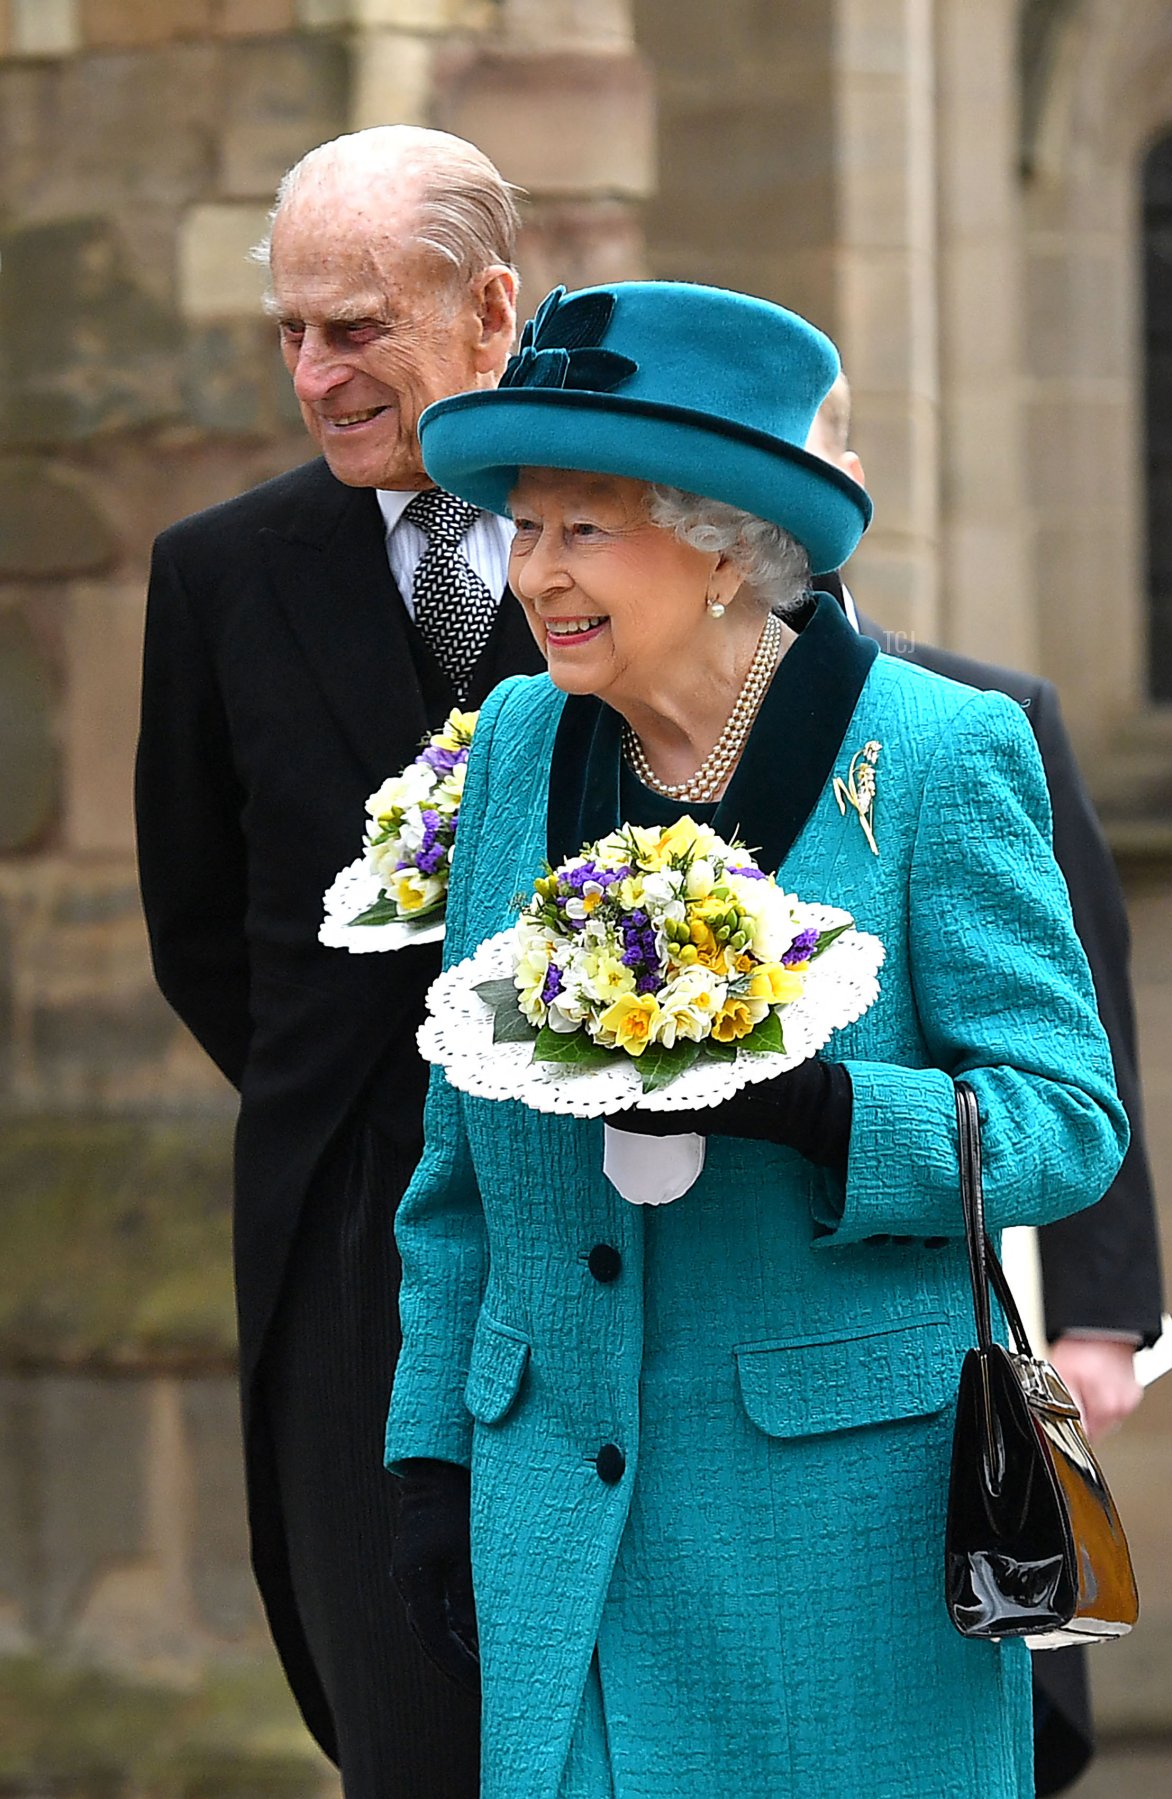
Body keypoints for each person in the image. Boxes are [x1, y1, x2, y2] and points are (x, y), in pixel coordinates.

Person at [384, 280, 1130, 1799]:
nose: (535, 575)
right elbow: (454, 1165)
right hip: (558, 1524)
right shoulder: (517, 748)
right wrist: (428, 1459)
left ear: (724, 542)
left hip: (841, 1542)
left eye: (583, 529)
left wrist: (827, 1112)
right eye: (525, 529)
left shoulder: (932, 755)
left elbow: (1065, 1119)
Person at [135, 126, 543, 1797]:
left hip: (643, 1208)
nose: (316, 375)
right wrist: (381, 1106)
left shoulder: (650, 542)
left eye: (356, 327)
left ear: (491, 312)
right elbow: (197, 931)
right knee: (410, 1725)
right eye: (290, 334)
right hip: (353, 1245)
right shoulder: (218, 578)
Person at [806, 377, 1165, 1793]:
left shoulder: (984, 718)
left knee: (1019, 1638)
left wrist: (1104, 1314)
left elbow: (1090, 1040)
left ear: (846, 469)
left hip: (984, 1241)